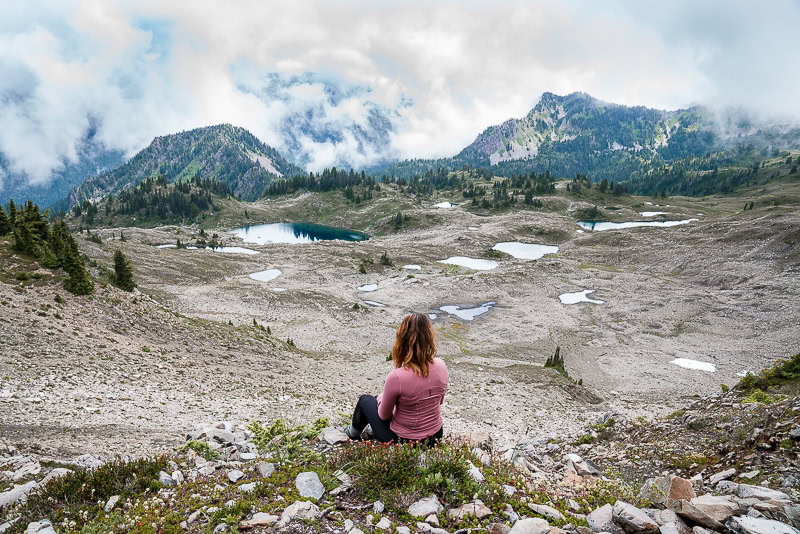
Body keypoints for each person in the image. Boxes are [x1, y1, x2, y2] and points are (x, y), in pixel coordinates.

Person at [344, 313, 448, 445]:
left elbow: (384, 416)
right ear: (429, 338)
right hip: (435, 435)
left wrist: (380, 399)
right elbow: (439, 401)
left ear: (402, 341)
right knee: (387, 399)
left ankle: (352, 433)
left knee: (366, 400)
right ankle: (370, 430)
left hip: (403, 440)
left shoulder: (397, 376)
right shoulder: (441, 365)